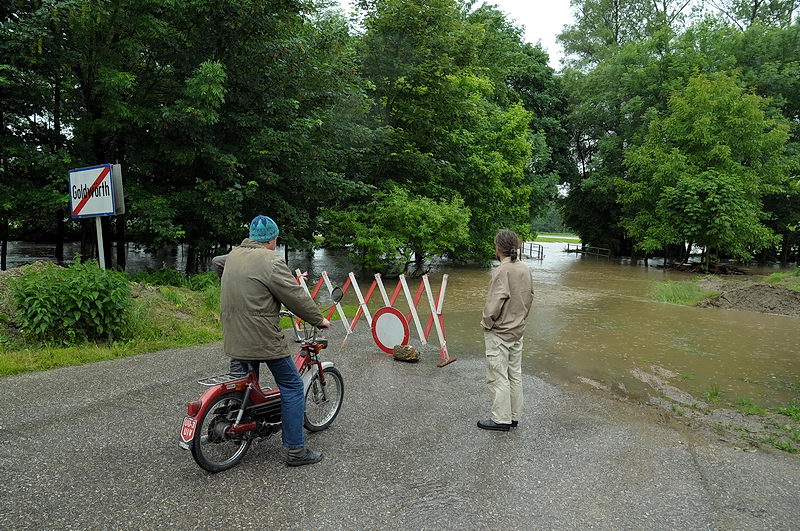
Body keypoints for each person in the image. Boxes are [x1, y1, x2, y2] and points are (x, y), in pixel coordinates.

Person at [218, 215, 331, 466]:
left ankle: (239, 431)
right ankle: (296, 450)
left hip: (233, 334)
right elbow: (295, 296)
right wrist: (318, 319)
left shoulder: (233, 256)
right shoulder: (271, 261)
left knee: (242, 385)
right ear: (272, 239)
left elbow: (217, 263)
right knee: (292, 386)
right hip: (262, 337)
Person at [478, 229, 534, 432]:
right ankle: (514, 416)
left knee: (498, 375)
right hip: (517, 330)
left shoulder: (502, 271)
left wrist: (487, 323)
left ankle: (501, 419)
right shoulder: (525, 268)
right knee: (514, 374)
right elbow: (529, 298)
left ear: (498, 248)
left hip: (500, 331)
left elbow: (494, 304)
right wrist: (520, 320)